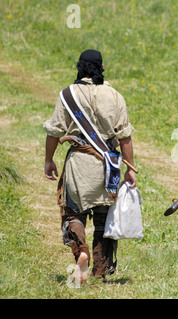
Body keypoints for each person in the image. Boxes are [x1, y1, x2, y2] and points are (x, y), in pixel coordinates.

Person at [44, 49, 136, 285]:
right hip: (108, 166)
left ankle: (81, 251)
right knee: (103, 219)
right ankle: (101, 269)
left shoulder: (67, 94)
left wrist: (49, 160)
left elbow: (55, 131)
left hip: (78, 164)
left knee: (73, 213)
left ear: (80, 68)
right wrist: (131, 169)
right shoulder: (115, 95)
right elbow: (125, 137)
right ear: (101, 68)